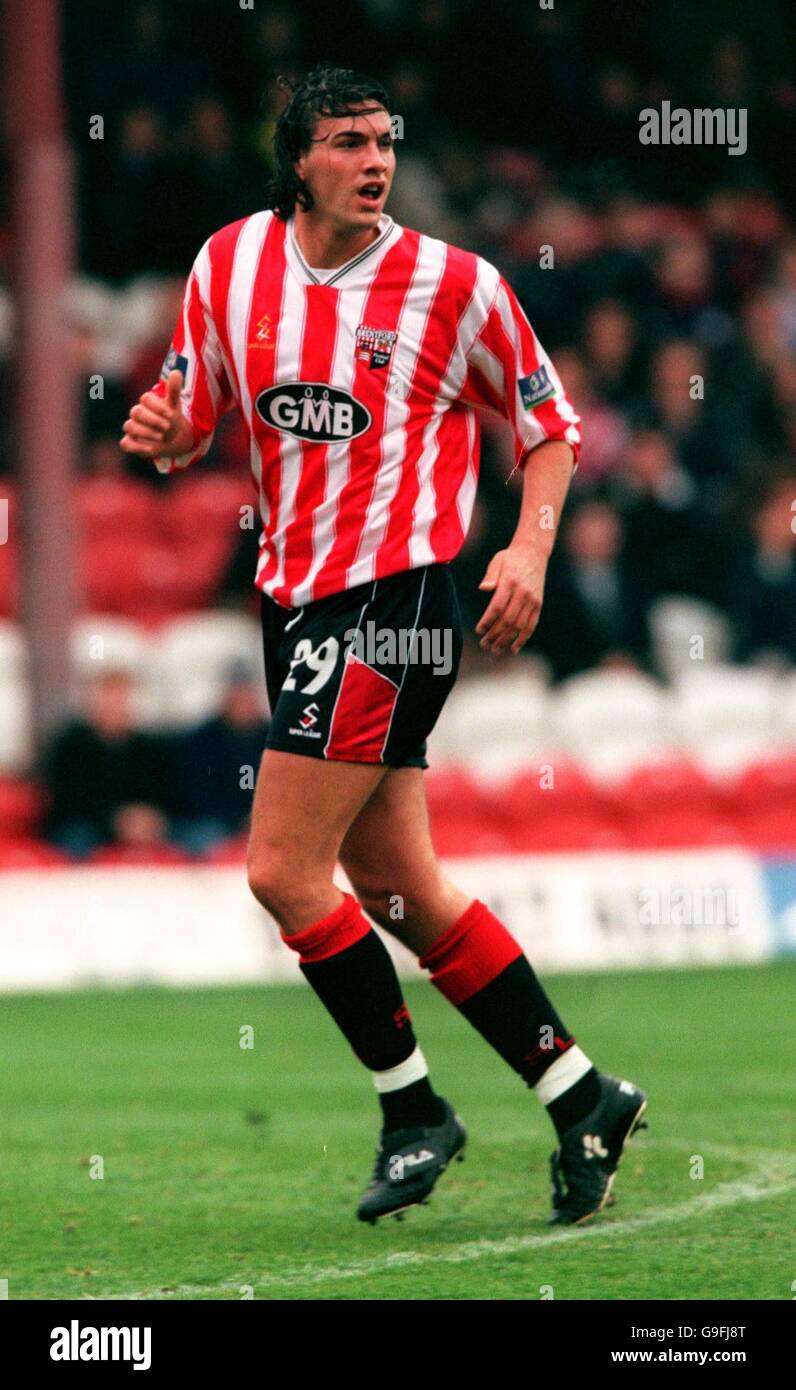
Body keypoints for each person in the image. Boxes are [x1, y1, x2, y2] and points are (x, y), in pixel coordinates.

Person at [120, 65, 646, 1227]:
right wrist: (164, 426)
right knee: (399, 887)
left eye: (384, 142)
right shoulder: (229, 264)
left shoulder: (453, 286)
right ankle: (580, 1094)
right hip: (294, 601)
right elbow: (192, 408)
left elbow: (550, 426)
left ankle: (413, 1109)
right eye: (348, 141)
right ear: (295, 157)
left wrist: (527, 551)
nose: (374, 161)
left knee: (280, 871)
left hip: (398, 601)